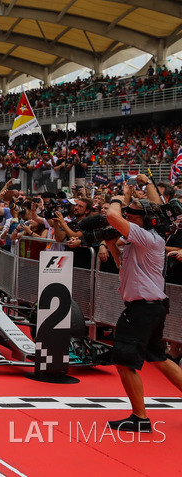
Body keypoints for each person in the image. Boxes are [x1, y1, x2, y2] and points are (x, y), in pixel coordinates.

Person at [105, 175, 182, 432]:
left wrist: (117, 198)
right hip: (151, 307)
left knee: (124, 361)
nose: (128, 218)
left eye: (132, 215)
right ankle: (139, 417)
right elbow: (120, 257)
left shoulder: (147, 237)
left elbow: (112, 218)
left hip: (142, 309)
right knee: (159, 358)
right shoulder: (143, 238)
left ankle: (140, 418)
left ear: (145, 220)